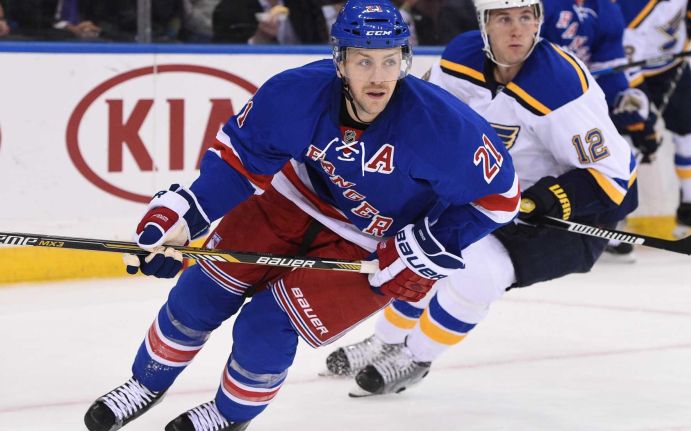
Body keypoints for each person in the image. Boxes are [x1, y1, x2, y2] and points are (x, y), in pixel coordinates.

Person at [82, 0, 520, 430]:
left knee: (266, 326)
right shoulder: (294, 93)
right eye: (363, 61)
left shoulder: (442, 127)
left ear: (405, 60)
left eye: (390, 62)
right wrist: (184, 217)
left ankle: (227, 416)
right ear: (339, 60)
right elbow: (238, 161)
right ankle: (145, 384)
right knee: (199, 293)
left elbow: (501, 198)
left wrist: (425, 247)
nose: (378, 78)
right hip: (291, 200)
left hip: (372, 241)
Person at [324, 0, 638, 396]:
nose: (517, 30)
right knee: (420, 251)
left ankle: (415, 357)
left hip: (568, 214)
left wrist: (542, 201)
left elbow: (613, 179)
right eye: (504, 18)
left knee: (477, 274)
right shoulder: (460, 58)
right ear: (484, 23)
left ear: (539, 21)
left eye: (526, 18)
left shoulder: (560, 86)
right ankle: (385, 340)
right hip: (487, 196)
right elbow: (424, 118)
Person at [539, 0, 653, 261]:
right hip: (534, 93)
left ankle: (604, 225)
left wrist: (622, 103)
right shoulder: (545, 4)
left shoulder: (606, 9)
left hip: (578, 97)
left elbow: (608, 70)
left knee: (617, 150)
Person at [618, 0, 691, 240]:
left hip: (671, 64)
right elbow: (620, 57)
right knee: (629, 140)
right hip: (630, 72)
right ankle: (613, 212)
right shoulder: (633, 7)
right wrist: (640, 115)